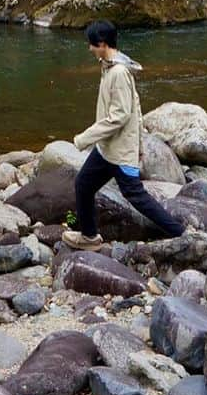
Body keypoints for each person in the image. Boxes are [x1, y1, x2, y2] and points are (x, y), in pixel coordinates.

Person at [62, 18, 186, 250]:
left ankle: (181, 232)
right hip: (107, 149)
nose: (89, 49)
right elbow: (136, 109)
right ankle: (89, 237)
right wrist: (139, 145)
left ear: (102, 44)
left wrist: (84, 138)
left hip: (118, 150)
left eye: (91, 44)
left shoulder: (118, 72)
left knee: (135, 195)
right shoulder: (110, 67)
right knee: (83, 184)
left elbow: (120, 116)